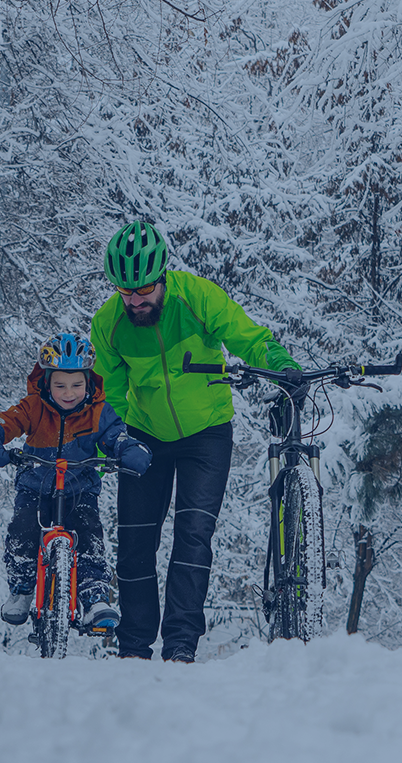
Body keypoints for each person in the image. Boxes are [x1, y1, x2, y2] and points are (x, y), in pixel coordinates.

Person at [92, 221, 301, 663]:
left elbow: (249, 336)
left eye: (144, 288)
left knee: (193, 535)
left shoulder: (198, 297)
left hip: (206, 434)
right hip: (144, 436)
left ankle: (181, 646)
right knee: (134, 543)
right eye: (125, 291)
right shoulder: (108, 324)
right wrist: (112, 442)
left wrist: (281, 363)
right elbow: (107, 395)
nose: (135, 300)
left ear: (162, 275)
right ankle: (132, 648)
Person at [0, 333, 152, 632]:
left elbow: (116, 436)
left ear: (89, 382)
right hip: (35, 486)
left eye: (77, 385)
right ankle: (22, 589)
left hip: (80, 488)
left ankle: (94, 597)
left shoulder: (99, 413)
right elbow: (4, 421)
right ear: (46, 382)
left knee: (90, 532)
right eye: (60, 385)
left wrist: (129, 449)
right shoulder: (33, 408)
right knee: (23, 528)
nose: (69, 393)